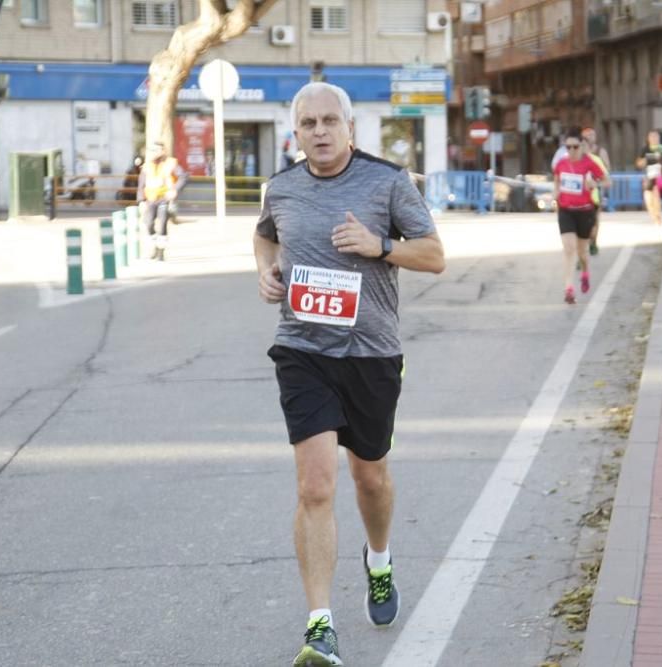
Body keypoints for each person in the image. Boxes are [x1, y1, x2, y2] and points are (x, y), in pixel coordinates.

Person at [253, 81, 445, 667]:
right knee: (315, 486)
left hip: (371, 354)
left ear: (350, 126)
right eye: (308, 122)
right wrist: (266, 273)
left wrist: (378, 244)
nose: (319, 131)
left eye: (329, 121)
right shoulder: (280, 188)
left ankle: (379, 562)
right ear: (296, 131)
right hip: (302, 349)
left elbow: (434, 255)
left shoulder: (388, 182)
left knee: (371, 477)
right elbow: (265, 236)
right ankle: (320, 628)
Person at [553, 126, 610, 305]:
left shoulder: (590, 162)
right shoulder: (561, 164)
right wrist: (555, 194)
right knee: (568, 249)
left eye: (575, 147)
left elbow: (608, 181)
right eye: (568, 147)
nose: (571, 151)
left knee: (582, 252)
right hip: (566, 211)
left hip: (585, 210)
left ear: (582, 146)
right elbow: (556, 182)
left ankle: (585, 271)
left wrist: (594, 184)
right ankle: (568, 288)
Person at [137, 143, 184, 261]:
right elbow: (141, 184)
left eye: (157, 150)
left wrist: (175, 190)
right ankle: (155, 246)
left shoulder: (171, 163)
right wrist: (141, 200)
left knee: (162, 224)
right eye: (152, 150)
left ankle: (161, 252)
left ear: (163, 151)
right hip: (151, 199)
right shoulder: (147, 166)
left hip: (164, 198)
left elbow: (184, 176)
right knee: (148, 223)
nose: (154, 152)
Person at [581, 128, 611, 256]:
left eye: (592, 135)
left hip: (596, 190)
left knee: (594, 220)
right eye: (587, 135)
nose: (590, 137)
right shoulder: (575, 156)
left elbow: (607, 170)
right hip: (579, 194)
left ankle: (593, 241)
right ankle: (582, 248)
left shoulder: (600, 152)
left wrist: (597, 178)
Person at [635, 130, 662, 226]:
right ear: (648, 138)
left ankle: (658, 218)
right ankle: (654, 217)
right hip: (648, 175)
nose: (654, 139)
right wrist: (647, 159)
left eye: (656, 136)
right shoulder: (645, 149)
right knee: (648, 198)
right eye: (652, 137)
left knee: (656, 196)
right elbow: (638, 163)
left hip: (659, 176)